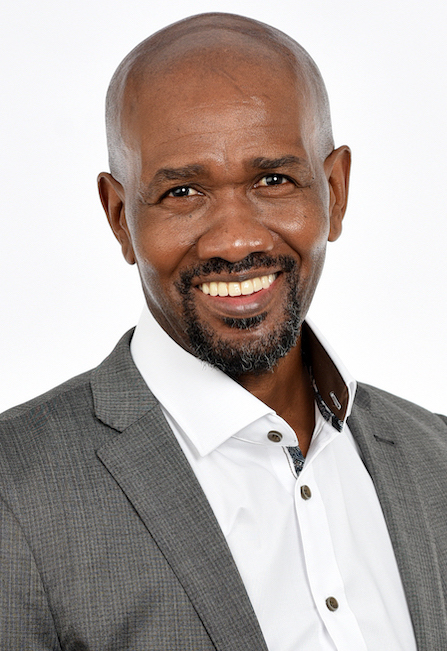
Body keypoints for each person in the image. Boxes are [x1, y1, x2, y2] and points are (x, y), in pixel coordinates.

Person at [0, 12, 445, 650]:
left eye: (273, 181)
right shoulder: (14, 493)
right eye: (183, 192)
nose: (236, 241)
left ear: (335, 191)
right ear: (120, 217)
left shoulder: (436, 460)